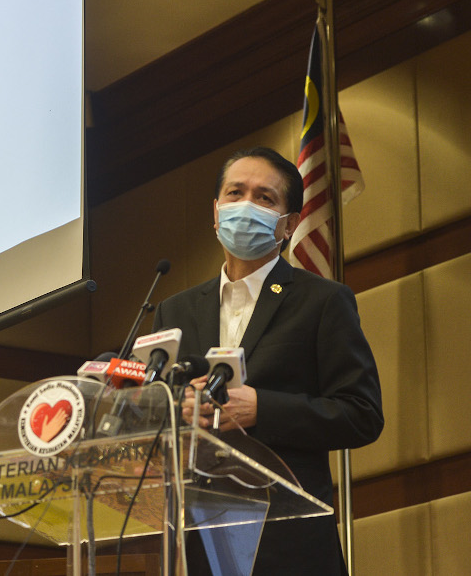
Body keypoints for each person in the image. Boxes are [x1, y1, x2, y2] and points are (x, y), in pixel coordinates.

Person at [151, 146, 383, 575]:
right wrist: (177, 410)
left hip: (290, 544)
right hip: (200, 543)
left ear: (289, 224)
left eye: (264, 198)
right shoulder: (175, 310)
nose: (245, 206)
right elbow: (154, 411)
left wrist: (262, 408)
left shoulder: (322, 301)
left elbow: (362, 414)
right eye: (235, 193)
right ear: (216, 211)